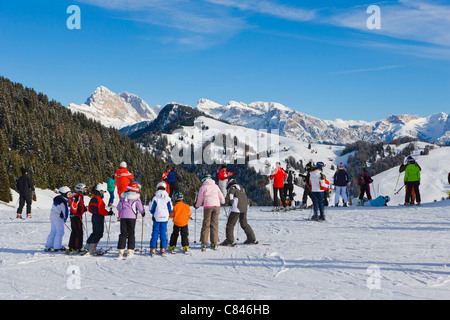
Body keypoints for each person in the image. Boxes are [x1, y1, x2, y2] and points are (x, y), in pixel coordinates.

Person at [221, 179, 257, 246]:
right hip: (244, 208)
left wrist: (230, 201)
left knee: (230, 224)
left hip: (236, 208)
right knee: (244, 223)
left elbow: (231, 193)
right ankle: (251, 238)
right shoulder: (242, 189)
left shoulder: (232, 187)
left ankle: (229, 240)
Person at [195, 174, 225, 251]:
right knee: (214, 223)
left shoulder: (203, 187)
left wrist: (197, 205)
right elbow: (221, 197)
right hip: (216, 206)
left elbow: (200, 198)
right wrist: (223, 202)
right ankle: (214, 242)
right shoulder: (216, 186)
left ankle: (204, 242)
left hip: (208, 206)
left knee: (206, 223)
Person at [116, 182, 145, 259]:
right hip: (132, 217)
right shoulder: (136, 197)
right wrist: (143, 212)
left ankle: (121, 250)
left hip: (123, 217)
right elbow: (140, 207)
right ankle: (130, 250)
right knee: (131, 233)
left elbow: (118, 207)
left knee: (123, 233)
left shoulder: (123, 196)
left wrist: (122, 212)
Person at [86, 184, 114, 255]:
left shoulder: (92, 198)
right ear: (100, 192)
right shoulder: (99, 200)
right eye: (103, 192)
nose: (103, 194)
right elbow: (101, 210)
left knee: (94, 232)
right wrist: (108, 213)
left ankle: (88, 247)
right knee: (98, 233)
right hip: (99, 217)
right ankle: (92, 249)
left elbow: (89, 209)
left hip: (94, 216)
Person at [149, 182, 173, 255]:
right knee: (163, 233)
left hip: (157, 217)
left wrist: (153, 213)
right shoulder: (168, 197)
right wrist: (167, 213)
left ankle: (153, 248)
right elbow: (171, 208)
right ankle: (163, 248)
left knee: (155, 232)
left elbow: (151, 208)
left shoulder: (155, 197)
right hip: (165, 217)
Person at [45, 187, 71, 252]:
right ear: (64, 193)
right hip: (58, 218)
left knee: (53, 231)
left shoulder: (58, 199)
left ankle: (49, 246)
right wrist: (65, 218)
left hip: (53, 216)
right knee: (60, 232)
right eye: (68, 194)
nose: (69, 195)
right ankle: (57, 247)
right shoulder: (63, 201)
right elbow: (65, 210)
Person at [67, 183, 88, 254]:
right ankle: (78, 247)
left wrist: (83, 208)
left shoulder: (77, 195)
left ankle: (72, 246)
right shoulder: (77, 196)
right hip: (76, 216)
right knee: (79, 231)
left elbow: (78, 204)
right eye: (84, 189)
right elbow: (74, 205)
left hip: (74, 216)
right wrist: (76, 212)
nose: (85, 190)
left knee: (74, 231)